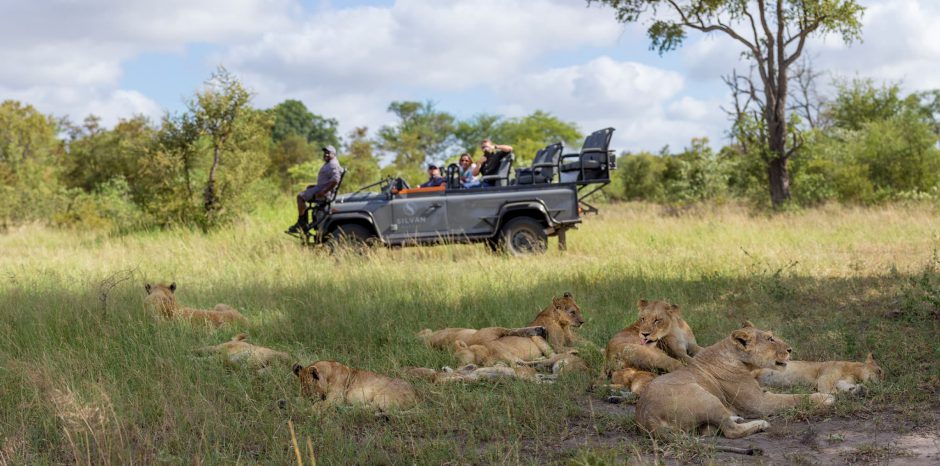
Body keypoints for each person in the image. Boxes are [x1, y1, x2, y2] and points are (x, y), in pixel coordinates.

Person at [286, 145, 342, 234]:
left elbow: (335, 180)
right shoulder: (330, 163)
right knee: (307, 189)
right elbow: (329, 180)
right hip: (322, 189)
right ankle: (303, 220)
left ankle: (301, 223)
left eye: (328, 153)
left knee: (300, 197)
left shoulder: (333, 164)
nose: (326, 154)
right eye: (325, 152)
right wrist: (315, 187)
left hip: (324, 193)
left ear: (334, 154)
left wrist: (323, 192)